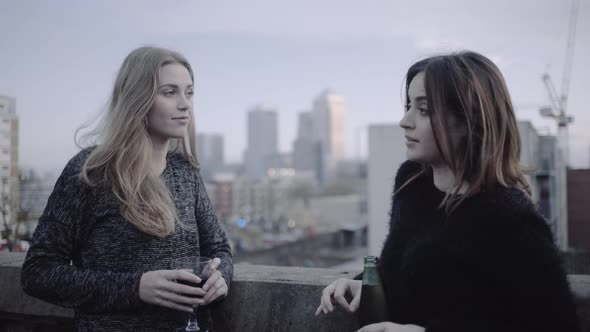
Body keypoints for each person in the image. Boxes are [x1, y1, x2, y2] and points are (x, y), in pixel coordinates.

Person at [316, 51, 580, 332]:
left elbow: (554, 323)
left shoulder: (512, 218)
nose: (405, 121)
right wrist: (365, 283)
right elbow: (400, 267)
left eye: (424, 109)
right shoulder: (412, 182)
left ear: (469, 121)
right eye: (408, 106)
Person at [21, 46, 233, 331]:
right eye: (170, 92)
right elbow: (38, 272)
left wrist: (223, 276)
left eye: (189, 92)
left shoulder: (186, 172)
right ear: (137, 99)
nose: (185, 104)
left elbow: (219, 248)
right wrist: (135, 288)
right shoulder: (90, 171)